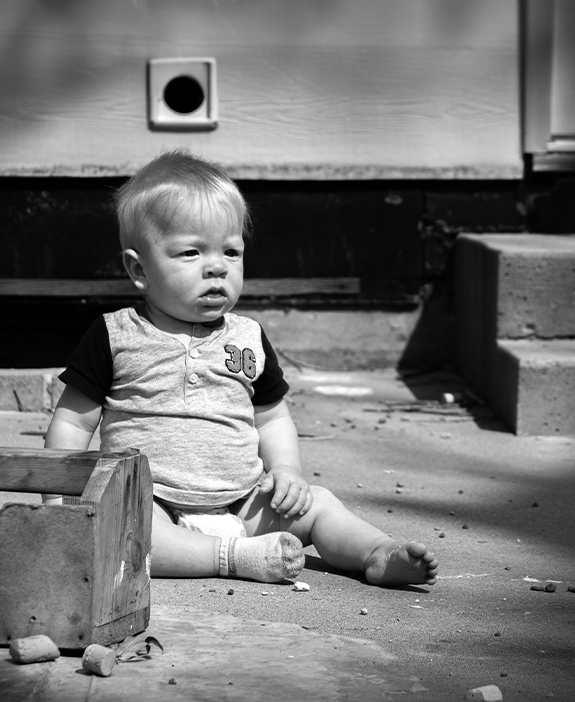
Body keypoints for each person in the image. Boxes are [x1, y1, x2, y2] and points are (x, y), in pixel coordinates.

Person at [43, 149, 438, 587]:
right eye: (191, 252)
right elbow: (73, 423)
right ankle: (233, 557)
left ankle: (377, 552)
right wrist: (59, 492)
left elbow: (272, 419)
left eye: (231, 251)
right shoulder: (115, 335)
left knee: (320, 505)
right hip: (152, 500)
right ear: (139, 269)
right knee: (124, 529)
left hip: (242, 500)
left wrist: (287, 472)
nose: (217, 266)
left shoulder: (248, 336)